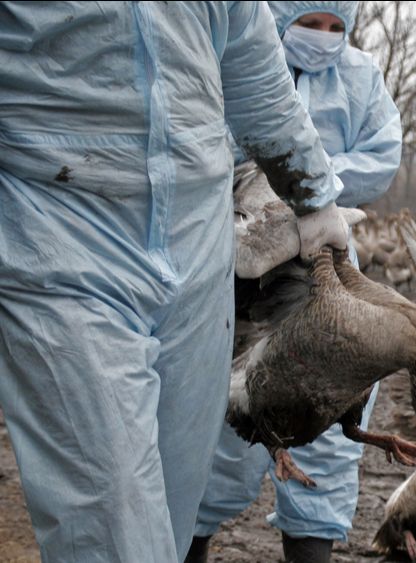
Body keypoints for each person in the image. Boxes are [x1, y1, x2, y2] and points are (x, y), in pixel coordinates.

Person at [0, 2, 354, 561]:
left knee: (174, 499)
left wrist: (312, 193)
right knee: (111, 514)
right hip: (59, 229)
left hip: (198, 237)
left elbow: (252, 64)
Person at [185, 3, 401, 563]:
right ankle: (188, 539)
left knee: (331, 407)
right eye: (310, 22)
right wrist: (266, 181)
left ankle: (310, 545)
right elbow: (212, 139)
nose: (323, 36)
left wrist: (310, 181)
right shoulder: (239, 58)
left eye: (335, 26)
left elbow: (382, 157)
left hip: (327, 251)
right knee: (221, 415)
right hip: (238, 252)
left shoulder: (362, 76)